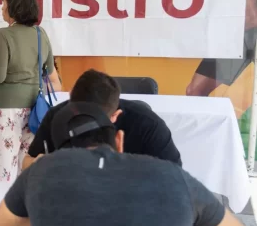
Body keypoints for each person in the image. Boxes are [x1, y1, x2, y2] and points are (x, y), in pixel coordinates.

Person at [0, 101, 257, 226]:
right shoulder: (174, 180)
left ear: (59, 151)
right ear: (119, 139)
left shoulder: (41, 174)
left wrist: (68, 221)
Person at [23, 69, 182, 170]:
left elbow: (176, 178)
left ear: (115, 116)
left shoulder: (149, 126)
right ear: (70, 99)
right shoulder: (57, 117)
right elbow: (27, 162)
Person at [0, 0, 54, 182]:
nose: (1, 7)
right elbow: (49, 69)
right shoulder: (40, 33)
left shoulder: (3, 34)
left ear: (14, 6)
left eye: (4, 2)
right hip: (34, 107)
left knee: (1, 165)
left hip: (7, 107)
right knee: (25, 163)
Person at [187, 0, 257, 96]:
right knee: (194, 91)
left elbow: (252, 19)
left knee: (195, 91)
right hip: (237, 36)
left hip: (244, 37)